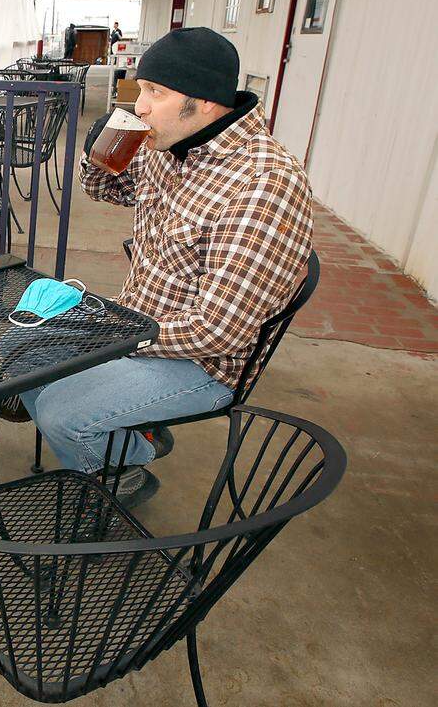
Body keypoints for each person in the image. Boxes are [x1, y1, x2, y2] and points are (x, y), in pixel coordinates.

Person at [18, 27, 313, 506]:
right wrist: (99, 153)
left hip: (204, 362)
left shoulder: (264, 185)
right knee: (23, 347)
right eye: (142, 90)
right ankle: (132, 431)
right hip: (137, 323)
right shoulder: (170, 144)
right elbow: (106, 190)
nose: (140, 107)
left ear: (206, 103)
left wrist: (112, 337)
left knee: (58, 411)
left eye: (156, 93)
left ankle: (124, 468)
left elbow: (219, 333)